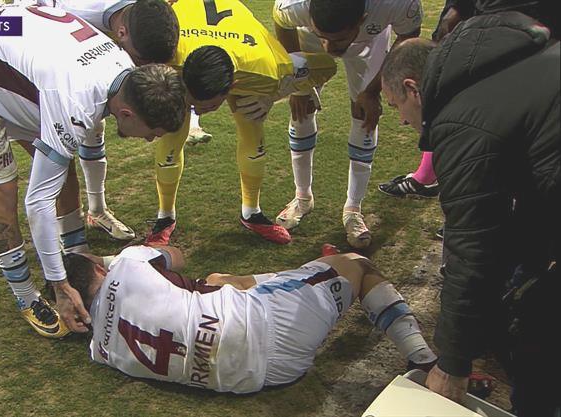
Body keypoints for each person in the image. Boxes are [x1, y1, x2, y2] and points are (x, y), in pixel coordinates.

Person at [0, 4, 187, 337]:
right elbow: (38, 204)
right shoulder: (77, 101)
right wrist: (61, 286)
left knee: (60, 165)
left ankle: (76, 254)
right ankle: (26, 296)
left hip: (11, 63)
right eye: (152, 132)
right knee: (3, 191)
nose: (150, 140)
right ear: (126, 114)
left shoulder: (124, 74)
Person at [381, 28, 559, 415]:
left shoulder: (460, 123)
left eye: (395, 106)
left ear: (413, 89)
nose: (402, 121)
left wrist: (452, 362)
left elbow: (473, 245)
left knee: (538, 352)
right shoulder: (504, 64)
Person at [63, 245, 437, 393]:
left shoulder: (100, 352)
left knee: (218, 281)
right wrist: (110, 258)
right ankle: (423, 359)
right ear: (99, 268)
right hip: (271, 326)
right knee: (356, 264)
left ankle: (297, 277)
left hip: (261, 379)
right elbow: (176, 255)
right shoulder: (127, 263)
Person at [0, 0, 180, 242]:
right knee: (51, 161)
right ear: (122, 33)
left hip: (73, 70)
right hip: (20, 70)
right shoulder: (82, 7)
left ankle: (96, 212)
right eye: (139, 59)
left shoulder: (138, 23)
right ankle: (69, 239)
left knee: (89, 131)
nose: (141, 68)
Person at [146, 0, 336, 245]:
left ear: (232, 86)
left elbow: (327, 66)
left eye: (209, 106)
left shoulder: (266, 68)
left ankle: (251, 212)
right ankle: (165, 217)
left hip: (245, 59)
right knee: (172, 132)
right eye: (195, 103)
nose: (200, 111)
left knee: (252, 126)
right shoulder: (168, 55)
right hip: (190, 48)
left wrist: (275, 94)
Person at [272, 0, 422, 248]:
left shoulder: (395, 4)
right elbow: (281, 21)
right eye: (324, 38)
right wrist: (299, 81)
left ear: (363, 19)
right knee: (302, 109)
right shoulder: (294, 5)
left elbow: (408, 37)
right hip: (308, 36)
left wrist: (372, 91)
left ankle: (353, 208)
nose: (329, 48)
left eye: (338, 40)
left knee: (364, 115)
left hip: (369, 42)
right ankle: (302, 196)